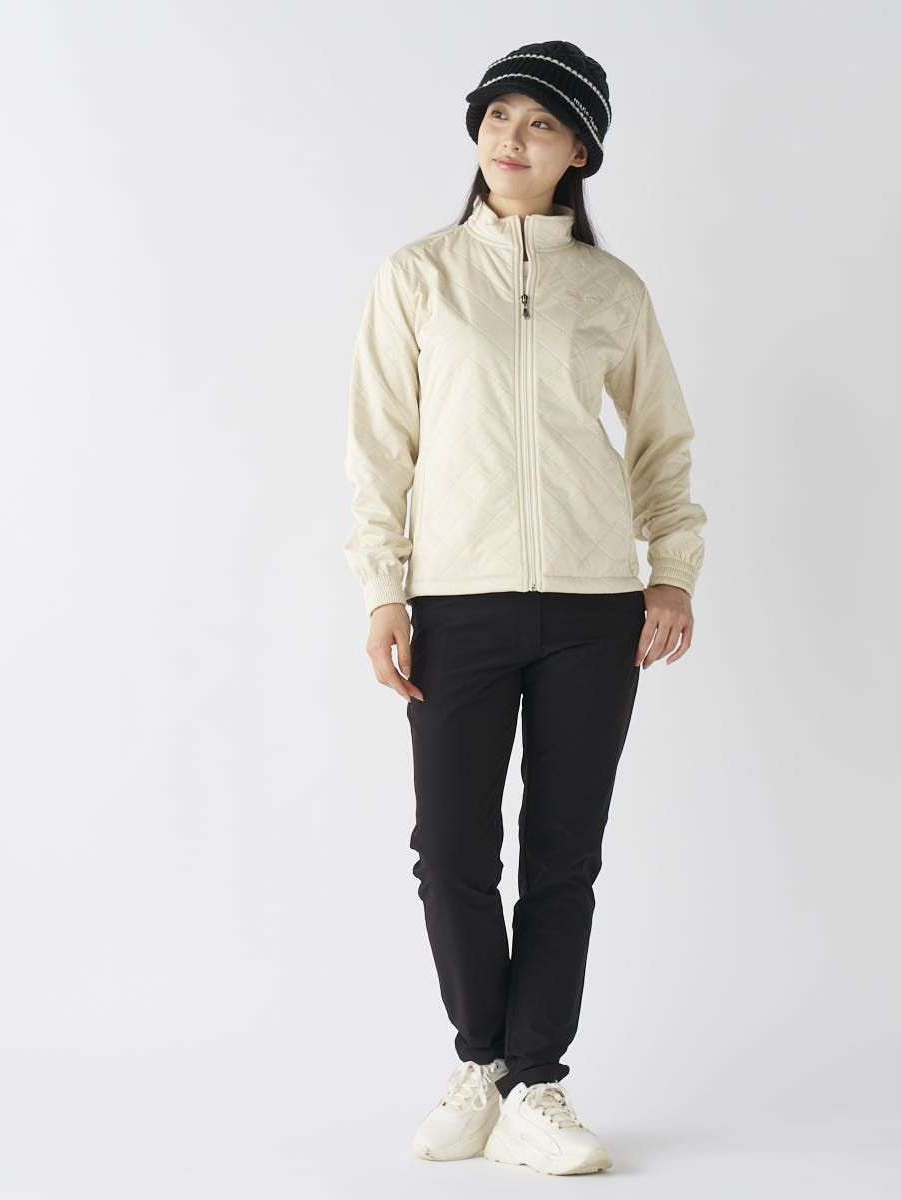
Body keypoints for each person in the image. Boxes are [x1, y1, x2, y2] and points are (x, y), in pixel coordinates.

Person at [343, 40, 707, 1177]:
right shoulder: (419, 276)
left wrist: (671, 570)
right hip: (455, 601)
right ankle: (485, 1063)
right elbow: (379, 449)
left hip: (594, 606)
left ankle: (536, 1083)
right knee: (450, 849)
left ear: (578, 152)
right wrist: (383, 590)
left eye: (541, 122)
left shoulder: (612, 290)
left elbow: (660, 443)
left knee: (562, 855)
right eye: (499, 114)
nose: (512, 136)